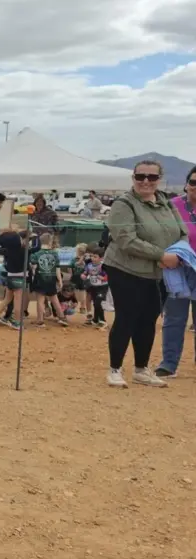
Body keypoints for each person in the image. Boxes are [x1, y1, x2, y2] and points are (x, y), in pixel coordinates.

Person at [103, 160, 187, 388]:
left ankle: (141, 369)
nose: (146, 181)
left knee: (149, 319)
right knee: (126, 317)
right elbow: (126, 239)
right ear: (133, 178)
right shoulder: (124, 204)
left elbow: (183, 232)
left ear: (159, 179)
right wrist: (161, 255)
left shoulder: (166, 203)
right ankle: (115, 368)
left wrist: (179, 252)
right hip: (126, 269)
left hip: (157, 273)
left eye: (151, 177)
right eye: (141, 177)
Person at [156, 165, 196, 378]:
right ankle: (169, 363)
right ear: (186, 184)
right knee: (174, 318)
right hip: (178, 268)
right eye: (193, 182)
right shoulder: (172, 206)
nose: (195, 187)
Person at [0, 227, 33, 329]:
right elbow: (37, 247)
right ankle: (17, 322)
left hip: (10, 276)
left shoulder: (7, 250)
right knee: (18, 301)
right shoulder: (24, 250)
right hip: (20, 277)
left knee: (7, 298)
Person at [29, 232, 68, 327]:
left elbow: (33, 267)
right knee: (54, 299)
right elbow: (58, 268)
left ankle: (40, 320)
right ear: (50, 241)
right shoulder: (55, 254)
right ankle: (62, 317)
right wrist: (60, 280)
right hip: (51, 279)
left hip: (40, 279)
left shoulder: (36, 254)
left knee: (40, 300)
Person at [83, 245, 109, 328]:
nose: (92, 258)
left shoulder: (103, 266)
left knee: (99, 302)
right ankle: (95, 319)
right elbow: (86, 272)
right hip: (93, 286)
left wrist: (103, 278)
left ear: (101, 258)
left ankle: (102, 320)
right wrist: (83, 275)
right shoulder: (89, 265)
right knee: (95, 303)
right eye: (91, 256)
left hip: (102, 287)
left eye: (95, 257)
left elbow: (108, 276)